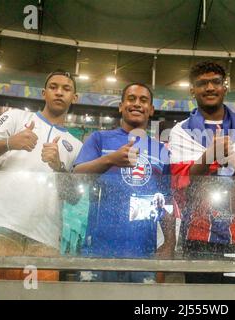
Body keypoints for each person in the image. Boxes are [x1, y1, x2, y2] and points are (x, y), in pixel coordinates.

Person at [0, 70, 83, 281]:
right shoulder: (15, 117)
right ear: (43, 93)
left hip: (45, 241)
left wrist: (59, 168)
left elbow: (74, 197)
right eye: (53, 87)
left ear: (74, 98)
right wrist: (8, 143)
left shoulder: (77, 145)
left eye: (66, 89)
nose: (59, 92)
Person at [73, 83, 175, 283]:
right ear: (121, 106)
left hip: (143, 254)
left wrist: (170, 242)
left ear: (151, 110)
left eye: (143, 100)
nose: (137, 104)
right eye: (131, 99)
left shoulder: (161, 151)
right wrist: (110, 160)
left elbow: (166, 199)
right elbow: (76, 176)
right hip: (97, 252)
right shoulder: (99, 139)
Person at [169, 61, 235, 284]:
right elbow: (180, 182)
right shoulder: (181, 131)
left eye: (215, 82)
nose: (209, 88)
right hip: (197, 236)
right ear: (192, 90)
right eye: (202, 83)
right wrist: (210, 156)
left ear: (224, 86)